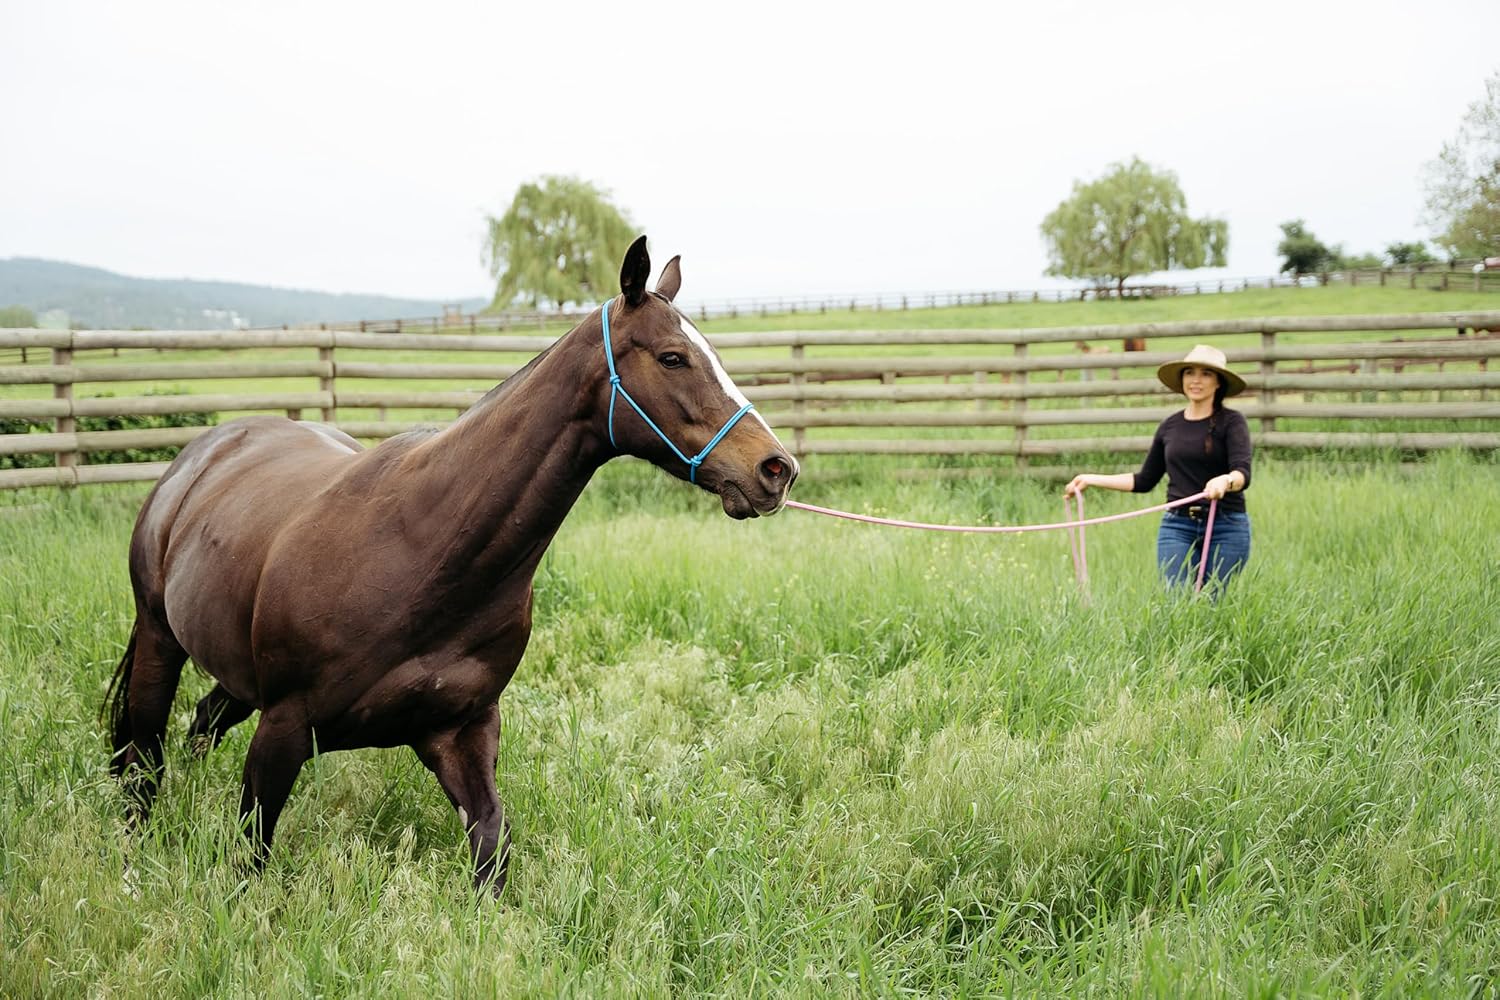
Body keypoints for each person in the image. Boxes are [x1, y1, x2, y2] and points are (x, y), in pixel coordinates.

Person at [1064, 344, 1253, 590]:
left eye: (1206, 374)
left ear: (1218, 382)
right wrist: (1092, 479)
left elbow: (1242, 473)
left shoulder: (1232, 422)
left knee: (1214, 598)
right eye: (1189, 373)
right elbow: (1144, 480)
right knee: (1176, 599)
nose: (1196, 380)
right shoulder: (1170, 426)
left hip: (1226, 524)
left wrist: (1225, 481)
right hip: (1178, 524)